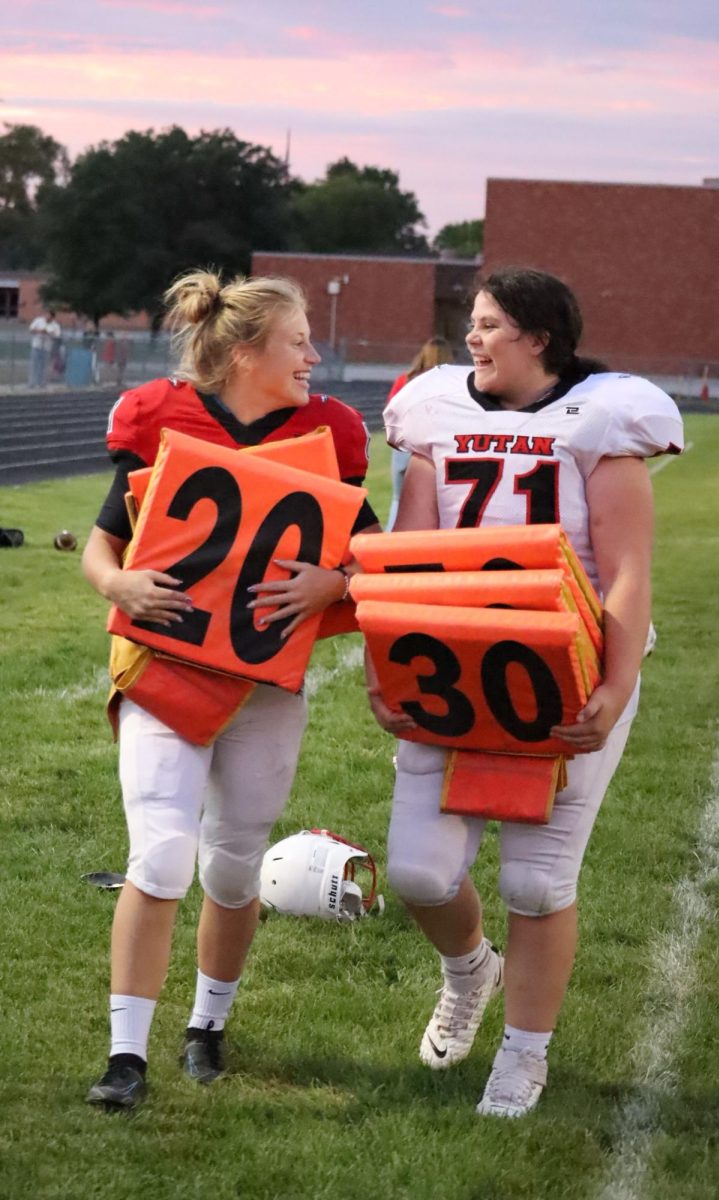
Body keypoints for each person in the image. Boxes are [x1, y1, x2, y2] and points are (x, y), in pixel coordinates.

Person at [367, 267, 684, 1118]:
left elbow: (624, 571)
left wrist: (615, 688)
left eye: (488, 324)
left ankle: (523, 1053)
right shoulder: (437, 411)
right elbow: (409, 551)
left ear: (538, 338)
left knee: (538, 884)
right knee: (420, 873)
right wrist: (382, 668)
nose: (470, 337)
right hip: (454, 657)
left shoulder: (604, 419)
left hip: (567, 663)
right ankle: (470, 971)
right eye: (471, 323)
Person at [82, 269, 380, 1110]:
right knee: (163, 851)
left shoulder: (329, 431)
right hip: (167, 670)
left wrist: (333, 583)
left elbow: (368, 553)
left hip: (263, 681)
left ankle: (207, 1024)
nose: (314, 356)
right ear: (246, 352)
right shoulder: (159, 415)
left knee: (235, 864)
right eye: (297, 342)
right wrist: (119, 588)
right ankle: (125, 1054)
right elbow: (103, 546)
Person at [384, 336, 454, 530]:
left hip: (404, 445)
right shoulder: (451, 384)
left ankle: (392, 544)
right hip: (436, 445)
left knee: (399, 500)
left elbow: (391, 414)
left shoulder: (406, 380)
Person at [27, 309, 61, 388]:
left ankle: (41, 383)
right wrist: (40, 331)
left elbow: (57, 335)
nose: (47, 317)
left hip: (46, 348)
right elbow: (31, 329)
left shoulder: (55, 325)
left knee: (44, 366)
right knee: (34, 365)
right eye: (46, 315)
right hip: (36, 346)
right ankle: (32, 383)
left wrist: (48, 333)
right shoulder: (38, 320)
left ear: (52, 317)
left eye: (49, 316)